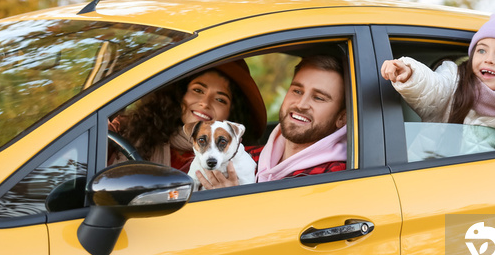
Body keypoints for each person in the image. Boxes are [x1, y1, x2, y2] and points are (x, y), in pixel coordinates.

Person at [380, 12, 495, 147]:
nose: (489, 59)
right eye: (481, 50)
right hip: (426, 178)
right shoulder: (453, 82)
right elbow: (432, 87)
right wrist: (409, 72)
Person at [198, 54, 348, 189]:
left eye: (318, 98)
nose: (301, 104)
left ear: (342, 118)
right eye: (297, 91)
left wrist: (231, 202)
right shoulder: (246, 156)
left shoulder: (335, 178)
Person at [108, 60, 267, 172]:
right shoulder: (131, 130)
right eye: (198, 90)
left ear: (231, 114)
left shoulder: (240, 162)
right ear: (180, 95)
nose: (205, 103)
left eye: (220, 99)